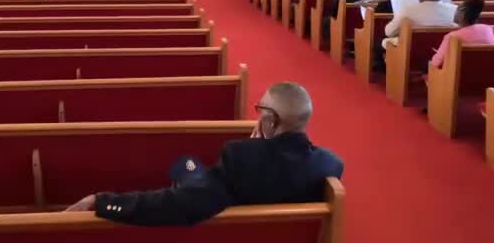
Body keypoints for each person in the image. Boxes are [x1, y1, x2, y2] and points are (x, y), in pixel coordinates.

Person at [64, 82, 343, 226]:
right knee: (189, 167)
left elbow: (176, 204)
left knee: (185, 164)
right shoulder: (330, 164)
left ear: (271, 121)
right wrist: (259, 149)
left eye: (260, 110)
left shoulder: (239, 157)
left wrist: (103, 202)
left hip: (213, 203)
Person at [383, 0, 456, 47]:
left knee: (385, 42)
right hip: (444, 50)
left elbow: (389, 32)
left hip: (411, 49)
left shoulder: (408, 10)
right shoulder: (455, 10)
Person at [431, 0, 494, 68]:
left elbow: (436, 63)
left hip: (458, 74)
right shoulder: (488, 30)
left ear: (462, 15)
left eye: (457, 9)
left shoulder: (452, 37)